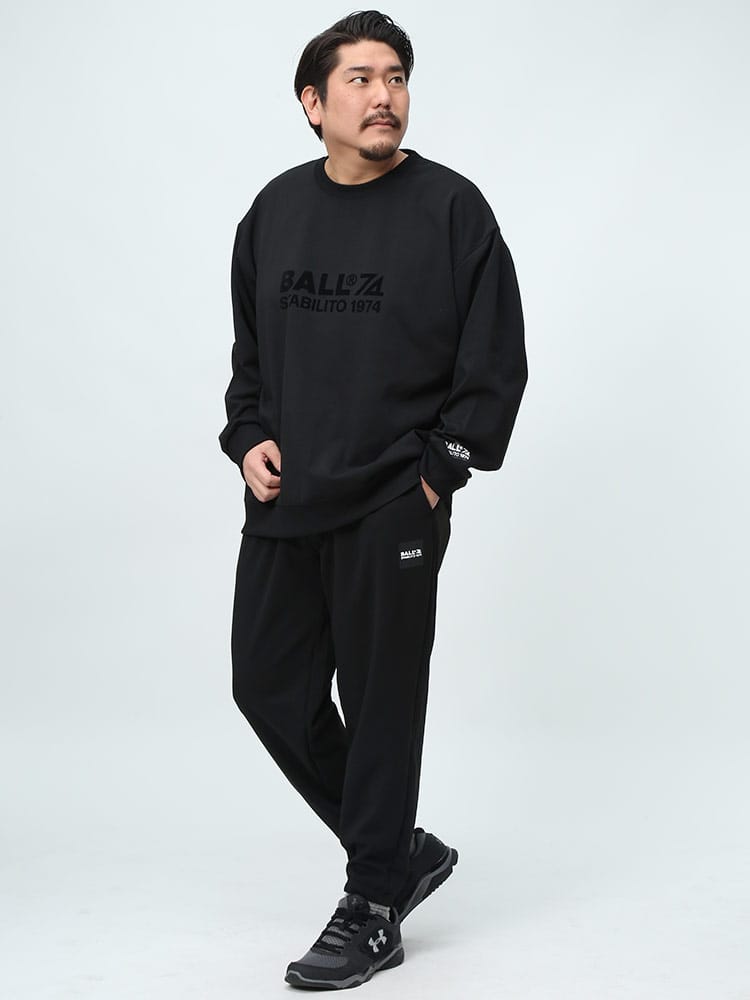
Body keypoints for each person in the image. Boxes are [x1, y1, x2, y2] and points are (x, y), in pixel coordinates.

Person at [218, 9, 527, 990]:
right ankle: (402, 852)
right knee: (268, 687)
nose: (384, 95)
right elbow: (251, 361)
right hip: (289, 497)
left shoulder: (451, 210)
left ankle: (373, 906)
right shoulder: (274, 211)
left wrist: (438, 468)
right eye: (359, 79)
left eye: (395, 77)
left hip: (395, 495)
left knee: (381, 700)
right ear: (314, 104)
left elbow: (495, 362)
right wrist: (248, 437)